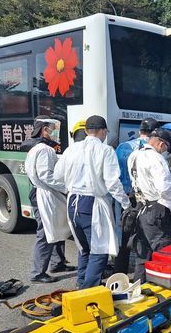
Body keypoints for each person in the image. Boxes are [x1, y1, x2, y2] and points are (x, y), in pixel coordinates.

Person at [54, 115, 130, 289]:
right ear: (103, 131)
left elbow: (58, 176)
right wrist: (126, 204)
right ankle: (88, 291)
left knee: (84, 247)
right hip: (92, 204)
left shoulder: (71, 149)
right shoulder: (105, 151)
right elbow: (112, 182)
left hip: (72, 202)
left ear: (86, 131)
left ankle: (82, 282)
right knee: (99, 250)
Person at [128, 128, 171, 282]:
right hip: (156, 209)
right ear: (162, 144)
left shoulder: (135, 155)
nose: (166, 151)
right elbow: (165, 189)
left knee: (143, 253)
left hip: (140, 208)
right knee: (164, 250)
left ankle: (138, 288)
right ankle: (164, 289)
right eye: (167, 148)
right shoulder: (156, 158)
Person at [21, 115, 74, 283]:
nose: (55, 132)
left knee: (56, 226)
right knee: (45, 232)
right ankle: (37, 273)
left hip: (44, 193)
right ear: (45, 129)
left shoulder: (36, 148)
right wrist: (65, 188)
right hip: (44, 194)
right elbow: (46, 176)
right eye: (53, 129)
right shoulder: (44, 149)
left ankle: (58, 263)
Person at [111, 118, 159, 275]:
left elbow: (114, 173)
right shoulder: (152, 151)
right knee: (144, 234)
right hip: (144, 198)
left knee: (123, 233)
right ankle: (143, 271)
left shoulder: (123, 147)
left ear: (140, 131)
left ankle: (120, 271)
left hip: (124, 196)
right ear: (154, 133)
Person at [116, 118, 159, 194]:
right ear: (155, 133)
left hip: (120, 192)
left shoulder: (121, 146)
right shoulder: (151, 149)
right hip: (140, 195)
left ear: (139, 131)